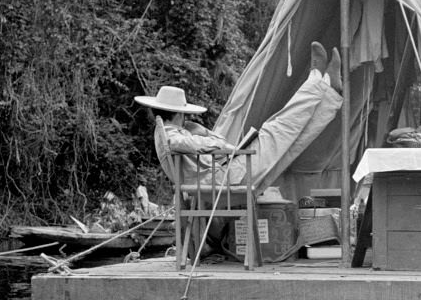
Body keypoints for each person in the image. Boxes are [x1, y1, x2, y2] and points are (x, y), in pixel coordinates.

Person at [136, 42, 343, 193]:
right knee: (277, 129)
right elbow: (204, 144)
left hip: (227, 177)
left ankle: (329, 93)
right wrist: (211, 139)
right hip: (226, 180)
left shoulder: (174, 132)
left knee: (291, 144)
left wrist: (204, 134)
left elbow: (210, 145)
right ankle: (317, 82)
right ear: (180, 113)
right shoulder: (170, 135)